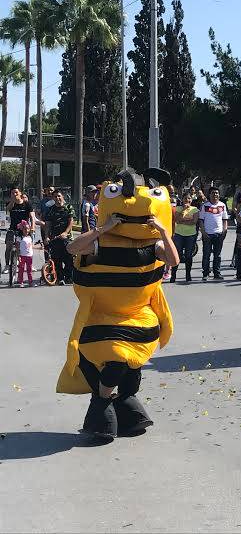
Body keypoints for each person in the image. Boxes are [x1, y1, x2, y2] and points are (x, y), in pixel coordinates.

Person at [58, 169, 178, 440]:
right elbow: (72, 249)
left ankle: (126, 409)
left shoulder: (153, 244)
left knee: (133, 366)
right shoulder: (99, 241)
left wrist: (160, 229)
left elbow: (173, 260)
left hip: (140, 318)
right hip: (102, 319)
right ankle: (100, 404)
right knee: (117, 359)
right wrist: (103, 229)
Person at [43, 190, 75, 285]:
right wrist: (46, 237)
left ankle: (68, 277)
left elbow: (71, 222)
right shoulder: (50, 210)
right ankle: (60, 278)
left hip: (67, 238)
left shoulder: (68, 207)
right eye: (55, 197)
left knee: (69, 259)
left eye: (59, 196)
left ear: (63, 197)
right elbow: (48, 225)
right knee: (57, 259)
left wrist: (65, 232)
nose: (57, 198)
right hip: (55, 238)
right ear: (53, 198)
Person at [4, 187, 35, 273]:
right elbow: (7, 210)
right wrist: (13, 201)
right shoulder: (10, 203)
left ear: (20, 193)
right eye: (12, 193)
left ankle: (29, 265)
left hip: (25, 230)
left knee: (26, 248)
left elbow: (32, 217)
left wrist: (32, 227)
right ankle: (7, 265)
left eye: (16, 192)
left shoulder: (27, 204)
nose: (14, 194)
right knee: (9, 246)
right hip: (13, 228)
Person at [199, 187, 228, 281]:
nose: (215, 195)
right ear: (209, 195)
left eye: (216, 193)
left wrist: (225, 230)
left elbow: (225, 220)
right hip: (207, 234)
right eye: (213, 193)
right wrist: (203, 232)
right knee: (206, 255)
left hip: (219, 234)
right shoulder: (205, 206)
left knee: (217, 255)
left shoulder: (222, 205)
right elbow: (201, 220)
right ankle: (205, 273)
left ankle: (217, 273)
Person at [171, 191, 199, 283]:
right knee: (177, 255)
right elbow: (178, 220)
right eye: (185, 198)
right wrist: (183, 210)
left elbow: (194, 221)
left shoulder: (195, 209)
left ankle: (188, 274)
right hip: (179, 234)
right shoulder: (178, 208)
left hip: (190, 235)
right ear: (182, 200)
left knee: (188, 255)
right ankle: (173, 275)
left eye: (189, 198)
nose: (187, 200)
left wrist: (183, 221)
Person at [15, 220, 35, 287]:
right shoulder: (19, 238)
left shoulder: (30, 237)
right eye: (25, 229)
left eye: (28, 229)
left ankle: (30, 282)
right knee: (21, 269)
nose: (26, 230)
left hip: (29, 256)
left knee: (29, 270)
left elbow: (32, 246)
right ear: (22, 229)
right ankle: (21, 282)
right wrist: (18, 256)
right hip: (22, 256)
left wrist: (40, 248)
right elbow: (17, 248)